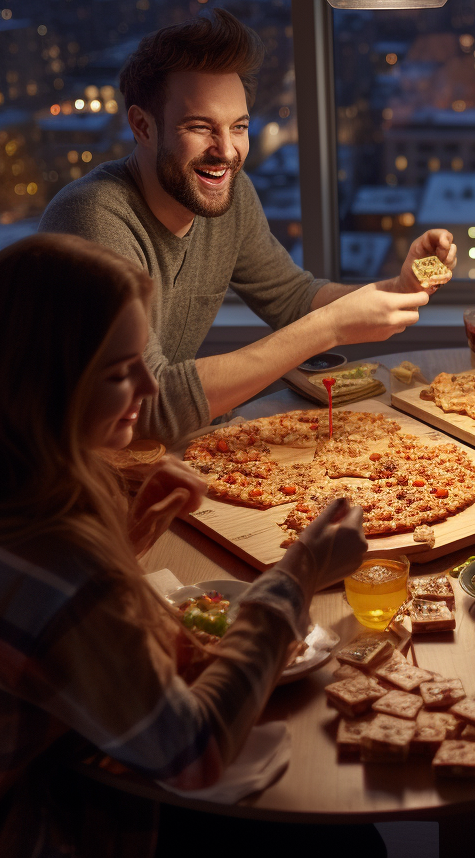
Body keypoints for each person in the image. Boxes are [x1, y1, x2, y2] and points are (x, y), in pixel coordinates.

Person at [0, 233, 382, 857]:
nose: (151, 392)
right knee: (343, 843)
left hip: (68, 750)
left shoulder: (26, 491)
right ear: (48, 386)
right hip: (55, 820)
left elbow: (59, 635)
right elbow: (192, 754)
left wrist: (126, 544)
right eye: (123, 374)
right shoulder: (59, 560)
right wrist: (298, 575)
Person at [39, 8, 455, 443]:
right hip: (63, 475)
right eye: (200, 127)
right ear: (143, 126)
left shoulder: (229, 195)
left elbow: (294, 299)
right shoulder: (91, 222)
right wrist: (330, 327)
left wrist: (397, 288)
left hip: (151, 460)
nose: (226, 151)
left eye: (238, 127)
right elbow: (146, 407)